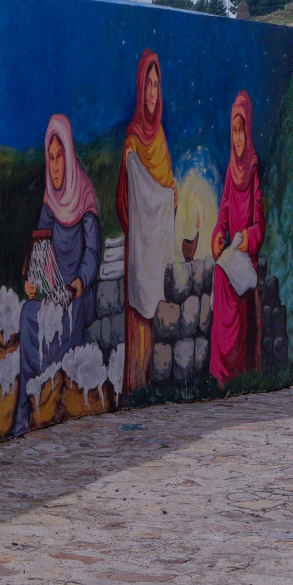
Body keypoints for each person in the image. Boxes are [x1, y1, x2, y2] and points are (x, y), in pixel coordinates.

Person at [17, 114, 100, 429]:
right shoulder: (49, 202)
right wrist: (33, 282)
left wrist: (79, 283)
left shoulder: (84, 196)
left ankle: (55, 405)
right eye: (49, 158)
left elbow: (92, 251)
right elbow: (41, 246)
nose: (53, 165)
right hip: (53, 291)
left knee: (68, 321)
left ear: (69, 155)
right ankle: (28, 406)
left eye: (59, 157)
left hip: (77, 292)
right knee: (29, 315)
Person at [115, 48, 176, 393]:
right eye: (148, 84)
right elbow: (127, 200)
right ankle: (135, 383)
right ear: (140, 89)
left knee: (154, 321)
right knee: (136, 319)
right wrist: (131, 170)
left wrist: (171, 196)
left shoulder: (161, 140)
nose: (152, 93)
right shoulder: (134, 137)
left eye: (157, 84)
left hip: (157, 255)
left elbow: (164, 190)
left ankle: (150, 381)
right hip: (139, 251)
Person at [210, 91, 265, 385]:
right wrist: (218, 236)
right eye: (234, 131)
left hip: (247, 256)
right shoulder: (231, 172)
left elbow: (260, 225)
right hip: (233, 253)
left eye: (241, 130)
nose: (238, 138)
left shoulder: (253, 168)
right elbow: (223, 214)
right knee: (219, 274)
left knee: (223, 276)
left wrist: (247, 239)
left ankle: (232, 370)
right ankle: (221, 370)